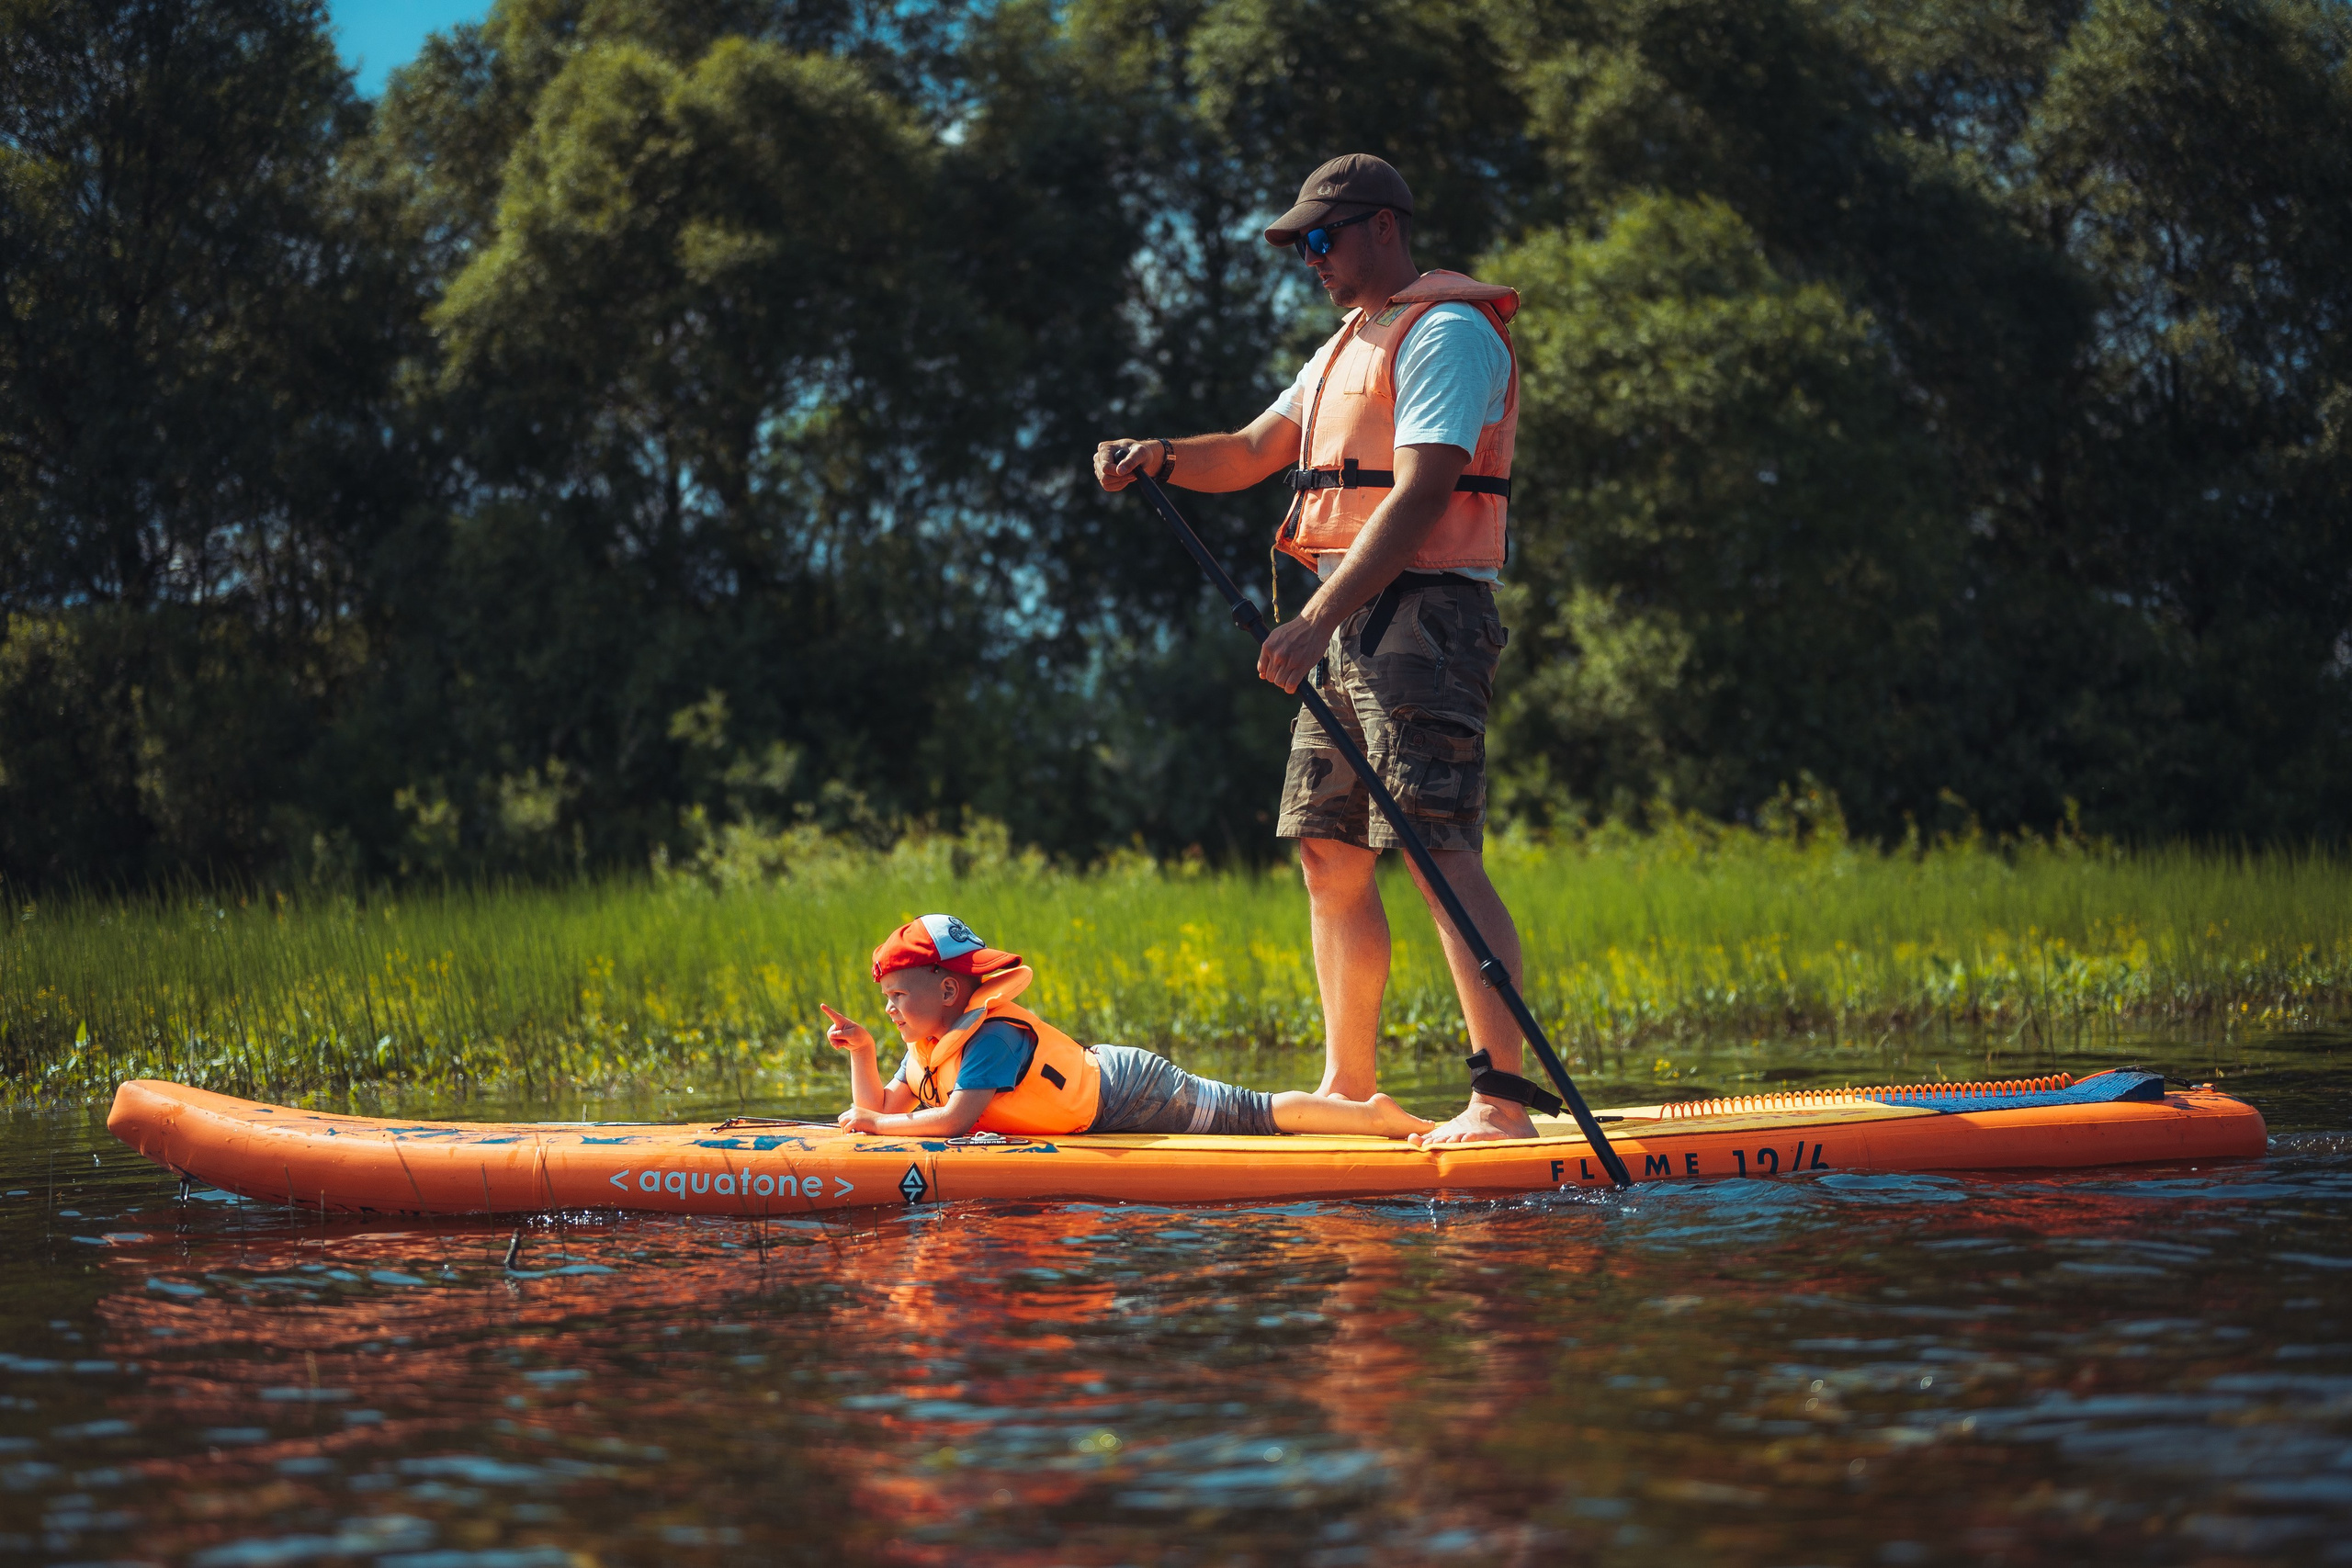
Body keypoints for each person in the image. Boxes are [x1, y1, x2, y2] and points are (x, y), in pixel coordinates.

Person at [1092, 152, 1550, 1147]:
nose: (1309, 258)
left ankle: (1502, 1107)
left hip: (1421, 618)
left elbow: (1425, 491)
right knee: (1327, 853)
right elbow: (1255, 449)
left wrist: (1317, 618)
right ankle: (1350, 1089)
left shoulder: (1449, 334)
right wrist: (1160, 455)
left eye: (1321, 238)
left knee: (1433, 850)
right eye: (1300, 243)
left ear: (1384, 226)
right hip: (1345, 622)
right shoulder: (1347, 342)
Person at [821, 914, 1432, 1140]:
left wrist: (879, 1125)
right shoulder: (926, 1047)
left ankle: (1367, 1114)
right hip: (1101, 1099)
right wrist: (865, 1053)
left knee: (1258, 1116)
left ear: (950, 989)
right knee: (1257, 1116)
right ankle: (1351, 1110)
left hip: (1129, 1088)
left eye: (899, 995)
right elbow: (877, 1106)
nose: (891, 1008)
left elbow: (952, 1122)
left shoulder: (991, 1037)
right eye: (886, 999)